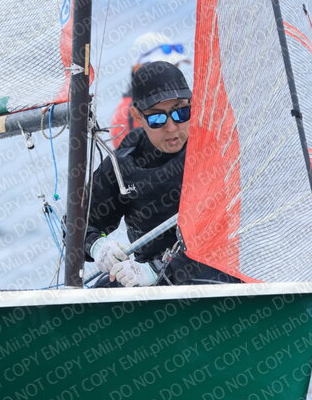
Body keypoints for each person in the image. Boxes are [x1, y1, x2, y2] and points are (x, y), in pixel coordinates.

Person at [86, 61, 239, 287]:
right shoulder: (123, 164)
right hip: (150, 281)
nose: (171, 127)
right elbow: (78, 224)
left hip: (212, 273)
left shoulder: (215, 151)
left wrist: (157, 270)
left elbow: (224, 234)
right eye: (157, 118)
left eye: (181, 113)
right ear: (137, 116)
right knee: (101, 289)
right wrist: (97, 246)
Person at [109, 32, 190, 148]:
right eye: (162, 70)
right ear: (138, 69)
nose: (172, 76)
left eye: (175, 67)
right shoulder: (128, 115)